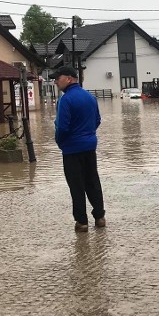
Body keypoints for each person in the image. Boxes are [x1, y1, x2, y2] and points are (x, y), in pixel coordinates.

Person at [52, 66, 106, 232]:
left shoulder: (65, 100)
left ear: (69, 78)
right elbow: (97, 120)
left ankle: (82, 222)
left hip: (72, 149)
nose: (55, 81)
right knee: (92, 182)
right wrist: (88, 135)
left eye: (58, 78)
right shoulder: (90, 97)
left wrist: (60, 142)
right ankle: (99, 217)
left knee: (76, 186)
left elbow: (62, 127)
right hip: (90, 146)